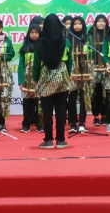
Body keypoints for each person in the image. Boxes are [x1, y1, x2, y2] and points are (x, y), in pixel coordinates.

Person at [33, 14, 72, 149]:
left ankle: (48, 140)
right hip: (62, 75)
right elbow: (70, 61)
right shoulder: (65, 41)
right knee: (61, 110)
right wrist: (68, 76)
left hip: (46, 76)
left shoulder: (40, 41)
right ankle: (61, 140)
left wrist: (35, 79)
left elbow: (37, 63)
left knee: (47, 110)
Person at [18, 18, 43, 133]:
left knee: (39, 101)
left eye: (36, 33)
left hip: (40, 77)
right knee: (27, 102)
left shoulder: (43, 47)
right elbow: (21, 66)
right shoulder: (24, 48)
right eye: (32, 33)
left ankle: (40, 123)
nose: (34, 35)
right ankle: (26, 124)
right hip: (27, 78)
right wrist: (20, 81)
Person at [67, 16, 92, 133]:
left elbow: (92, 53)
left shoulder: (87, 38)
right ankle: (72, 123)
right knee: (71, 97)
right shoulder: (67, 38)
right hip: (72, 68)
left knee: (83, 96)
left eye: (79, 24)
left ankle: (82, 123)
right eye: (75, 24)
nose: (77, 26)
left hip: (84, 68)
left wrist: (85, 54)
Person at [87, 14, 109, 126]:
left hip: (106, 66)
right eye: (99, 21)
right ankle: (95, 116)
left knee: (105, 92)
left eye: (103, 21)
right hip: (93, 66)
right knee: (94, 93)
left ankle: (105, 116)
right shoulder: (90, 35)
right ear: (95, 22)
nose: (101, 23)